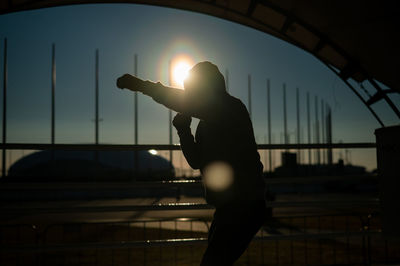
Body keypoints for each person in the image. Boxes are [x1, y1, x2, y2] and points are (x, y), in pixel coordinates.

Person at [117, 61, 267, 265]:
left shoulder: (229, 107)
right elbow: (196, 161)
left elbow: (184, 101)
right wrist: (184, 131)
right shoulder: (206, 124)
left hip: (244, 204)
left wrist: (142, 86)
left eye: (194, 90)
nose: (191, 95)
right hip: (229, 206)